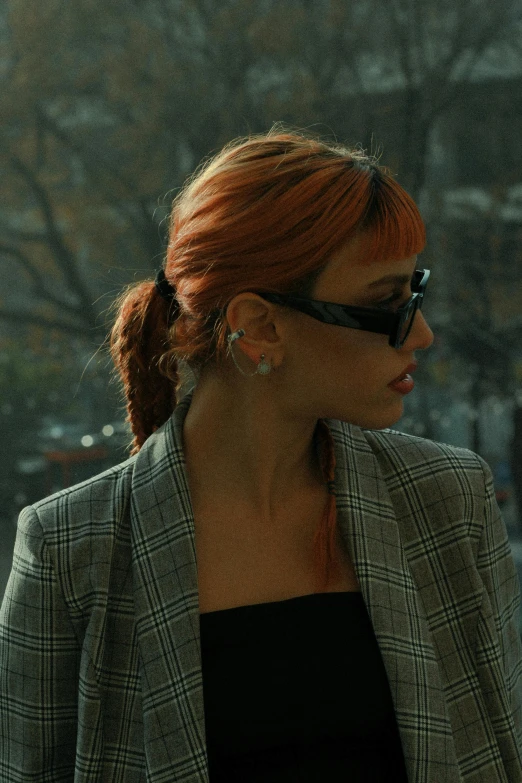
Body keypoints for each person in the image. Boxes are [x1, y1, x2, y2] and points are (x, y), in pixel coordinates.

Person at [0, 126, 521, 782]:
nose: (421, 331)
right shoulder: (70, 550)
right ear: (260, 326)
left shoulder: (450, 499)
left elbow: (501, 747)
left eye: (414, 291)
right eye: (386, 304)